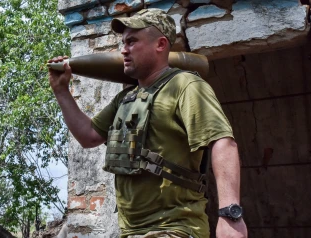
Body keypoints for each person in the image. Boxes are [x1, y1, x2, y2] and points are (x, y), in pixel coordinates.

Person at [48, 8, 248, 238]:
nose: (123, 49)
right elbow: (89, 136)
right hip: (131, 231)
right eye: (123, 42)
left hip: (175, 228)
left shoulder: (186, 86)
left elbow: (223, 143)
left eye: (132, 42)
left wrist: (230, 216)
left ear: (161, 45)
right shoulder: (128, 97)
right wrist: (62, 91)